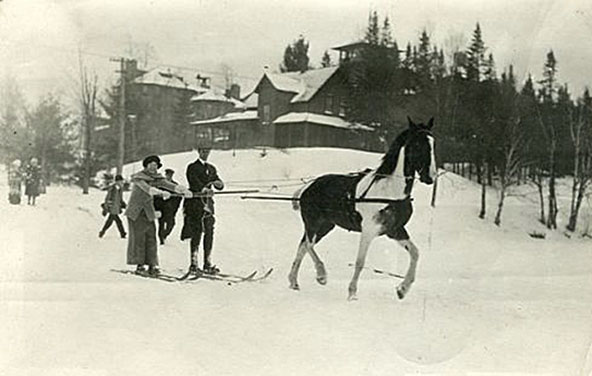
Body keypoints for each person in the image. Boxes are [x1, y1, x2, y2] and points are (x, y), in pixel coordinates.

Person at [125, 155, 191, 276]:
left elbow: (167, 184)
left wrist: (182, 190)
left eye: (155, 165)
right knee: (139, 239)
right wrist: (160, 192)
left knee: (151, 238)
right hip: (136, 212)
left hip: (148, 211)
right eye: (151, 164)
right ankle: (140, 265)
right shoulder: (139, 178)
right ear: (146, 166)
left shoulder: (156, 178)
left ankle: (152, 265)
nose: (153, 167)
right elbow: (147, 188)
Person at [181, 144, 225, 275]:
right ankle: (194, 263)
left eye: (208, 151)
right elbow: (193, 181)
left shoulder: (211, 168)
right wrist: (204, 189)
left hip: (208, 205)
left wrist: (219, 184)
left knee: (209, 231)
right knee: (197, 232)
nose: (206, 153)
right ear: (199, 152)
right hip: (195, 204)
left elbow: (217, 181)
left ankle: (207, 262)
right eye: (204, 151)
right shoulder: (192, 167)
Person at [153, 168, 183, 245]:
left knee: (171, 224)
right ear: (165, 175)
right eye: (167, 175)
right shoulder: (160, 185)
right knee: (161, 224)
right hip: (161, 208)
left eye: (170, 175)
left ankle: (164, 235)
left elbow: (178, 198)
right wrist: (156, 208)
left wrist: (174, 208)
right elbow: (155, 197)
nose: (168, 176)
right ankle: (161, 240)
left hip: (170, 209)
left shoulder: (175, 185)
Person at [99, 174, 127, 239]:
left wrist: (123, 204)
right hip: (112, 208)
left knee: (110, 221)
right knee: (117, 221)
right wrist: (106, 208)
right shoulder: (113, 188)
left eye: (122, 181)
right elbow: (107, 198)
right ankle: (122, 233)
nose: (121, 182)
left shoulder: (120, 189)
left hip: (116, 207)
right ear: (117, 181)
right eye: (120, 181)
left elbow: (120, 199)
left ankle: (102, 232)